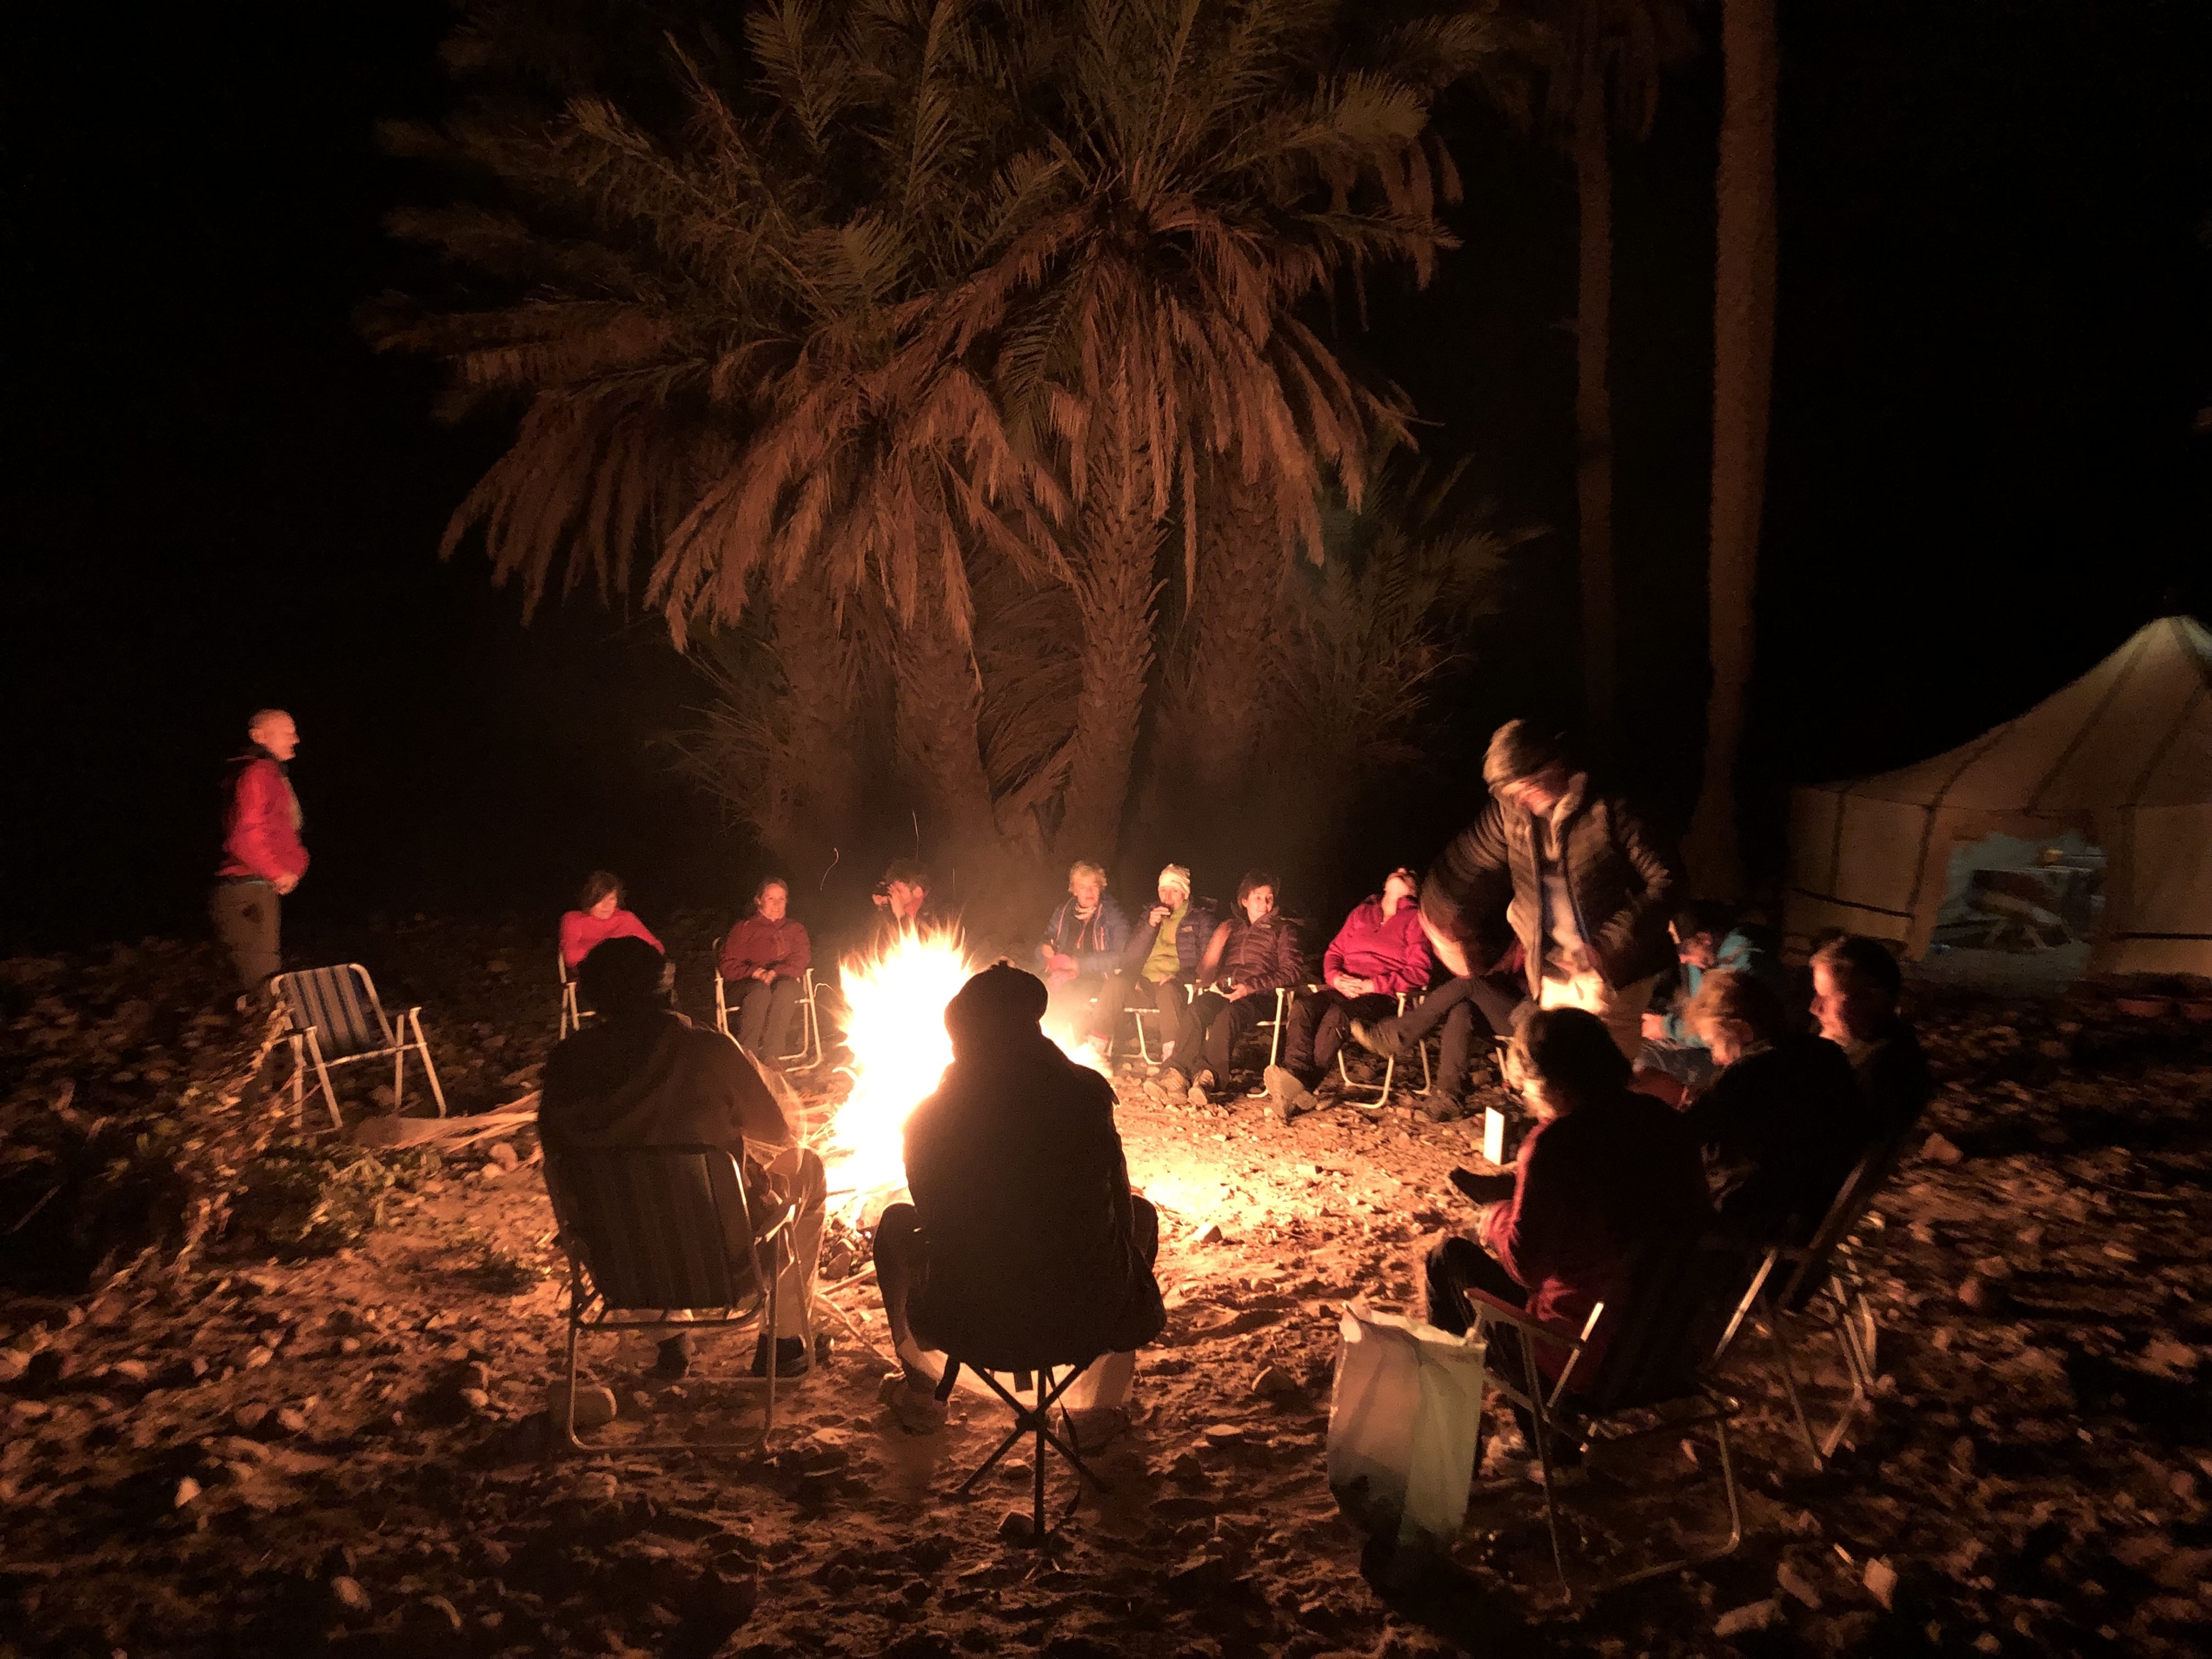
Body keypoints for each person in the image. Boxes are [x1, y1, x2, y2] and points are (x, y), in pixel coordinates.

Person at [873, 964, 1166, 1434]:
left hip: (972, 1323)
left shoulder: (928, 1118)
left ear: (959, 1037)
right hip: (1088, 1319)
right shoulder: (1087, 1095)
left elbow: (933, 1217)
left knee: (895, 1225)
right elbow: (1118, 1197)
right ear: (1033, 1027)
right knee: (1141, 1214)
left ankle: (923, 1395)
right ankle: (1096, 1410)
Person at [540, 937, 825, 1380]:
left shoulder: (566, 1064)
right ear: (667, 990)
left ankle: (669, 1336)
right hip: (727, 1265)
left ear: (592, 999)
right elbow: (776, 1131)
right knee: (807, 1165)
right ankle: (783, 1343)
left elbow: (555, 1151)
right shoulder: (707, 1050)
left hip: (621, 1269)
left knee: (616, 1207)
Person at [1422, 1006, 1710, 1392]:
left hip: (1583, 1359)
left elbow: (1524, 1267)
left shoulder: (1556, 1144)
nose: (1524, 1095)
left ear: (1547, 1083)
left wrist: (1496, 1219)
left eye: (1524, 1085)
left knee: (1447, 1258)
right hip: (1669, 1352)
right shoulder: (1664, 1120)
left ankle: (1452, 1401)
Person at [1421, 720, 1682, 1063]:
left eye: (1526, 789)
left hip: (1614, 972)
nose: (1520, 801)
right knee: (1554, 1068)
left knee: (1603, 1071)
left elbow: (1667, 882)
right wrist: (1440, 922)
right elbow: (1465, 864)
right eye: (1511, 794)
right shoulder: (1511, 812)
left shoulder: (1609, 807)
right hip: (1553, 967)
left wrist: (1607, 944)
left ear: (1552, 767)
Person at [1678, 969, 1875, 1243]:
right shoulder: (1820, 1053)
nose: (1715, 1058)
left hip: (1763, 1211)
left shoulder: (1750, 1072)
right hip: (1816, 1196)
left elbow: (1683, 1136)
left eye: (1715, 1044)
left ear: (1742, 1030)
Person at [1265, 867, 1431, 1123]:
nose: (1401, 870)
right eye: (1396, 870)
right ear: (1384, 884)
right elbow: (1334, 952)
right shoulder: (1362, 912)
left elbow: (1419, 972)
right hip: (1344, 988)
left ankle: (1300, 1086)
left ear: (1414, 889)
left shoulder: (1416, 919)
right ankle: (1296, 1078)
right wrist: (1335, 978)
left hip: (1383, 997)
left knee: (1338, 1015)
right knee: (1303, 1007)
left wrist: (1372, 985)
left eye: (1408, 873)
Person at [1348, 941, 1528, 1123]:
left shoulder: (1540, 942)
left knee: (1469, 982)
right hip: (1511, 1010)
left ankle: (1397, 1035)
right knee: (1462, 1011)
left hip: (1534, 1022)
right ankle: (1449, 1097)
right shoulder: (1519, 941)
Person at [1638, 900, 1787, 1092]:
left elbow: (1718, 1026)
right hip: (1718, 1039)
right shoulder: (1712, 959)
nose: (1682, 960)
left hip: (1722, 1045)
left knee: (1647, 1060)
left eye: (1684, 951)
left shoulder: (1742, 970)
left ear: (1704, 939)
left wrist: (1666, 1027)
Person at [212, 708, 309, 1000]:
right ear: (259, 736)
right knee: (265, 987)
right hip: (245, 889)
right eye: (287, 732)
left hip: (256, 887)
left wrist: (292, 868)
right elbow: (244, 836)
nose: (296, 739)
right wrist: (277, 872)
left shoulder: (270, 774)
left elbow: (280, 832)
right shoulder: (257, 773)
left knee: (267, 981)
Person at [1187, 872, 1303, 1102]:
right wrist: (1217, 943)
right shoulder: (1232, 928)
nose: (1264, 904)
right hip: (1227, 991)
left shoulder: (1283, 929)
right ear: (1244, 900)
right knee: (1196, 1009)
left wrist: (1250, 987)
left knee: (1228, 1015)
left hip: (1262, 997)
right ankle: (1177, 1073)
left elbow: (1293, 971)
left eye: (1269, 898)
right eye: (1257, 897)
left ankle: (1209, 1078)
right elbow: (1206, 973)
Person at [1810, 935, 1932, 1143]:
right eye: (1816, 994)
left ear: (1873, 998)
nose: (1815, 1008)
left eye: (1828, 997)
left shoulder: (1884, 1074)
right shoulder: (1844, 1037)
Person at [1119, 865, 1216, 1094]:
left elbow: (1208, 960)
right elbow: (1129, 955)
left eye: (1174, 891)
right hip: (1146, 981)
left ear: (1185, 893)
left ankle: (1171, 1060)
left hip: (1179, 982)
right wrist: (1149, 926)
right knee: (1117, 984)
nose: (1167, 897)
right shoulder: (1150, 915)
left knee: (1168, 990)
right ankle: (1094, 1049)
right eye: (1163, 891)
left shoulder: (1201, 918)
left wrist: (1182, 976)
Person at [1037, 860, 1130, 1057]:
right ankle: (1037, 1043)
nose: (1088, 892)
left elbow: (1120, 957)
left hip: (1096, 976)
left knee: (1070, 993)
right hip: (1060, 972)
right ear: (1074, 890)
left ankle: (1069, 1048)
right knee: (1035, 989)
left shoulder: (1113, 915)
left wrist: (1078, 964)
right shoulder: (1063, 912)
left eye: (1093, 886)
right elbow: (1047, 938)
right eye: (1082, 887)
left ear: (1101, 888)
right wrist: (1045, 948)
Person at [718, 878, 813, 1062]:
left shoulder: (795, 929)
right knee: (759, 992)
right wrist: (757, 972)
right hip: (747, 984)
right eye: (771, 898)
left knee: (786, 990)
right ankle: (748, 1057)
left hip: (783, 980)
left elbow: (801, 960)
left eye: (781, 899)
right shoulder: (745, 928)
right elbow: (728, 965)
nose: (777, 904)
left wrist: (775, 971)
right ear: (758, 900)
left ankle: (772, 1056)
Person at [559, 872, 664, 970]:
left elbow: (657, 947)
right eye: (600, 900)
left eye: (611, 899)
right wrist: (614, 951)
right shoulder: (574, 919)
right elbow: (570, 958)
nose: (606, 905)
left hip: (628, 972)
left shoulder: (626, 918)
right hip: (591, 975)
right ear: (589, 900)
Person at [864, 858, 940, 953]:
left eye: (899, 891)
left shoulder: (937, 916)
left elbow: (914, 949)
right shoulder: (889, 910)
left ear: (917, 892)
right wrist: (881, 909)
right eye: (892, 890)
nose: (894, 895)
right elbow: (875, 949)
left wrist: (901, 915)